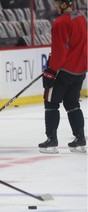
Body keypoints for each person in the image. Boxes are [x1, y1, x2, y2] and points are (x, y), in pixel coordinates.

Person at [38, 0, 87, 154]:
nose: (55, 6)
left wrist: (51, 70)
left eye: (56, 3)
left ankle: (51, 140)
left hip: (64, 70)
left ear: (64, 4)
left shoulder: (60, 22)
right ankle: (80, 139)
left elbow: (60, 50)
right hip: (80, 70)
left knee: (51, 103)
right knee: (72, 104)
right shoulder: (80, 17)